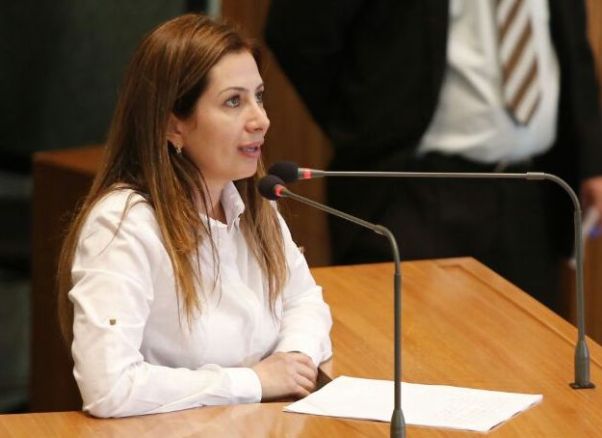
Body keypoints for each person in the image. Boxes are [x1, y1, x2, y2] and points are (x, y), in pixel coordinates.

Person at [56, 13, 332, 418]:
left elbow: (304, 300)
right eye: (234, 101)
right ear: (174, 125)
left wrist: (295, 359)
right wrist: (254, 381)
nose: (261, 120)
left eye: (259, 96)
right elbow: (108, 387)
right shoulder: (123, 225)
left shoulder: (255, 205)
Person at [265, 0, 602, 311]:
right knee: (405, 348)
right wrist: (362, 124)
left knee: (530, 351)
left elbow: (573, 46)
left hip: (532, 194)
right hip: (413, 192)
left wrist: (591, 161)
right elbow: (296, 30)